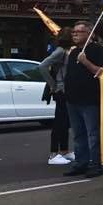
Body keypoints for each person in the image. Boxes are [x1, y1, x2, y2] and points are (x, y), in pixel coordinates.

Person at [63, 21, 103, 178]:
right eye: (74, 32)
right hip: (73, 100)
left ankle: (95, 164)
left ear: (89, 34)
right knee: (78, 134)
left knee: (93, 134)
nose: (74, 34)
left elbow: (102, 73)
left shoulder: (98, 50)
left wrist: (85, 62)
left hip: (90, 101)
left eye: (79, 32)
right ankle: (80, 163)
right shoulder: (74, 51)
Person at [38, 27, 75, 166]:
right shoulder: (60, 51)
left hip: (65, 90)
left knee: (64, 122)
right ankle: (53, 154)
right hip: (61, 91)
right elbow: (42, 66)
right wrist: (53, 85)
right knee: (59, 122)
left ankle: (64, 151)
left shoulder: (66, 51)